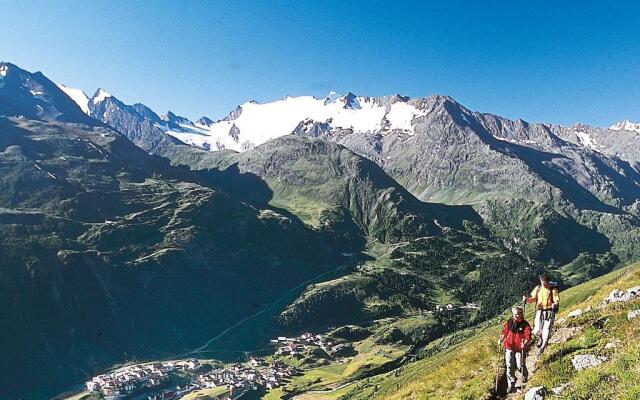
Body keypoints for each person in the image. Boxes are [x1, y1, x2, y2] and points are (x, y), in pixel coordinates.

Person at [523, 273, 560, 355]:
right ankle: (539, 338)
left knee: (546, 329)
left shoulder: (553, 289)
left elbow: (556, 300)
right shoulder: (538, 288)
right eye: (542, 282)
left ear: (548, 281)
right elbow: (533, 299)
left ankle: (543, 346)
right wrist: (526, 300)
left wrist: (555, 304)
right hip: (539, 310)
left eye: (545, 282)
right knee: (536, 330)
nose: (543, 284)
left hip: (550, 311)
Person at [499, 306, 531, 394]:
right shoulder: (509, 322)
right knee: (509, 365)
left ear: (522, 314)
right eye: (515, 314)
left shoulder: (525, 324)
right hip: (509, 347)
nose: (517, 315)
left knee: (519, 364)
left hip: (519, 348)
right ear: (513, 314)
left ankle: (524, 375)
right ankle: (511, 384)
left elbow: (528, 334)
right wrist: (501, 338)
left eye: (519, 313)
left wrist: (526, 341)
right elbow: (505, 331)